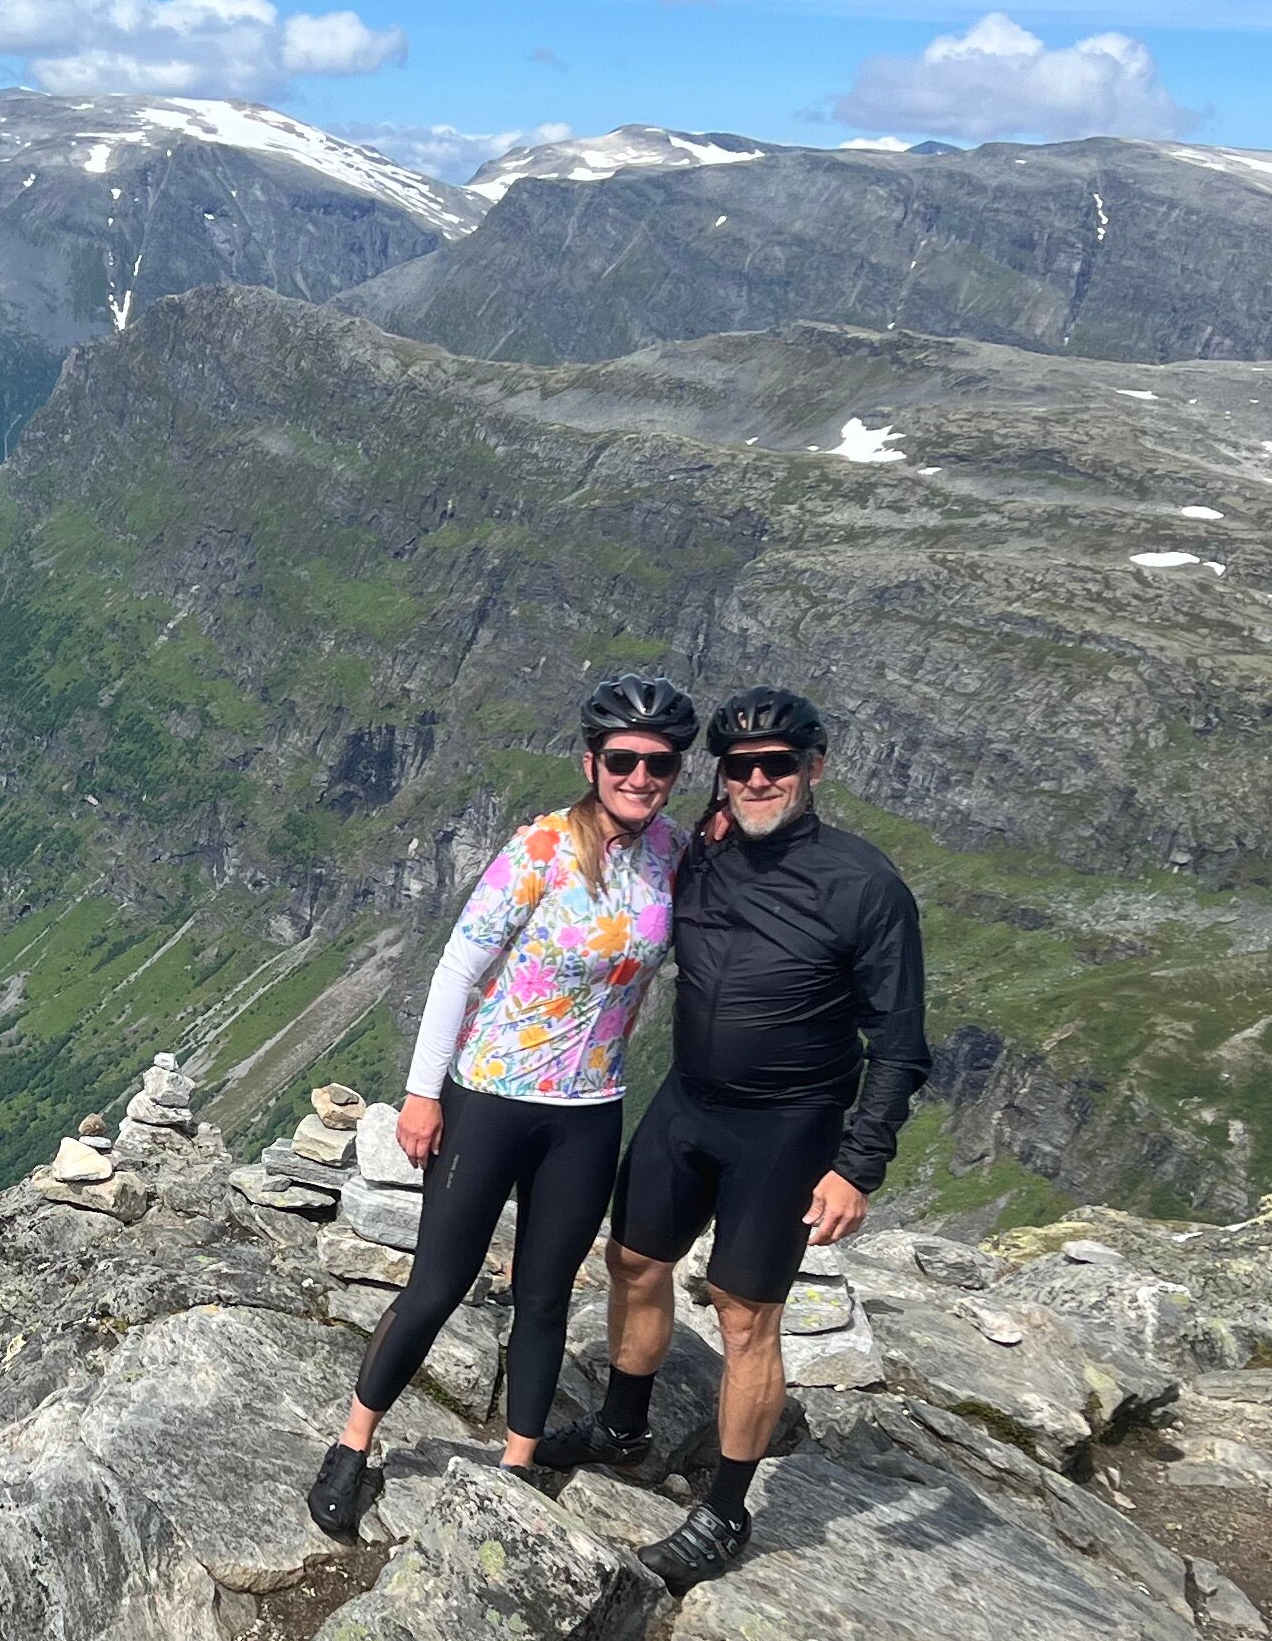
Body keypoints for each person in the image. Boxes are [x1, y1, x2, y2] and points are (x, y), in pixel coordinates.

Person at [539, 687, 929, 1590]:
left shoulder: (864, 885)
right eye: (741, 768)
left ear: (814, 768)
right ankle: (623, 1427)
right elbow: (620, 854)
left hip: (789, 1127)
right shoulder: (701, 854)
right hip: (690, 1103)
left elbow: (902, 1047)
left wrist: (855, 1167)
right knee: (634, 1261)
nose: (758, 780)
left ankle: (724, 1509)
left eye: (778, 765)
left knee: (746, 1315)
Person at [308, 676, 696, 1540]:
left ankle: (517, 1466)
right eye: (623, 759)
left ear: (674, 770)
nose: (639, 775)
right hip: (489, 1096)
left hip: (590, 1108)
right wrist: (421, 1093)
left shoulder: (673, 852)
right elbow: (458, 968)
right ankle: (353, 1444)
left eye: (658, 762)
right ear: (591, 762)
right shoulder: (542, 850)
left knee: (547, 1295)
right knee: (438, 1284)